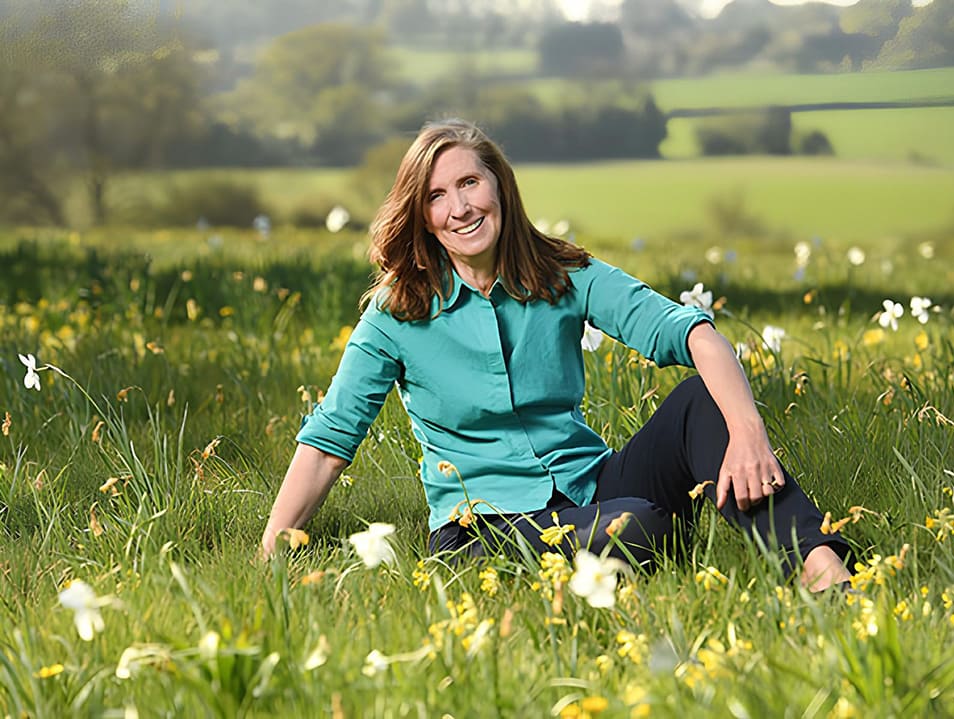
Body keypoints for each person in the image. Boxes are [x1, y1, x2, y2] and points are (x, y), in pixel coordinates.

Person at [260, 118, 851, 591]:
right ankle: (642, 541)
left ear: (499, 187)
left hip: (593, 485)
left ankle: (822, 572)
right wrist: (270, 554)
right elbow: (328, 441)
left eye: (469, 183)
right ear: (424, 215)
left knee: (703, 401)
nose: (460, 207)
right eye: (438, 196)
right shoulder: (397, 311)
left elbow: (691, 333)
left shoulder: (563, 274)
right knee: (642, 526)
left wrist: (748, 433)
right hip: (482, 526)